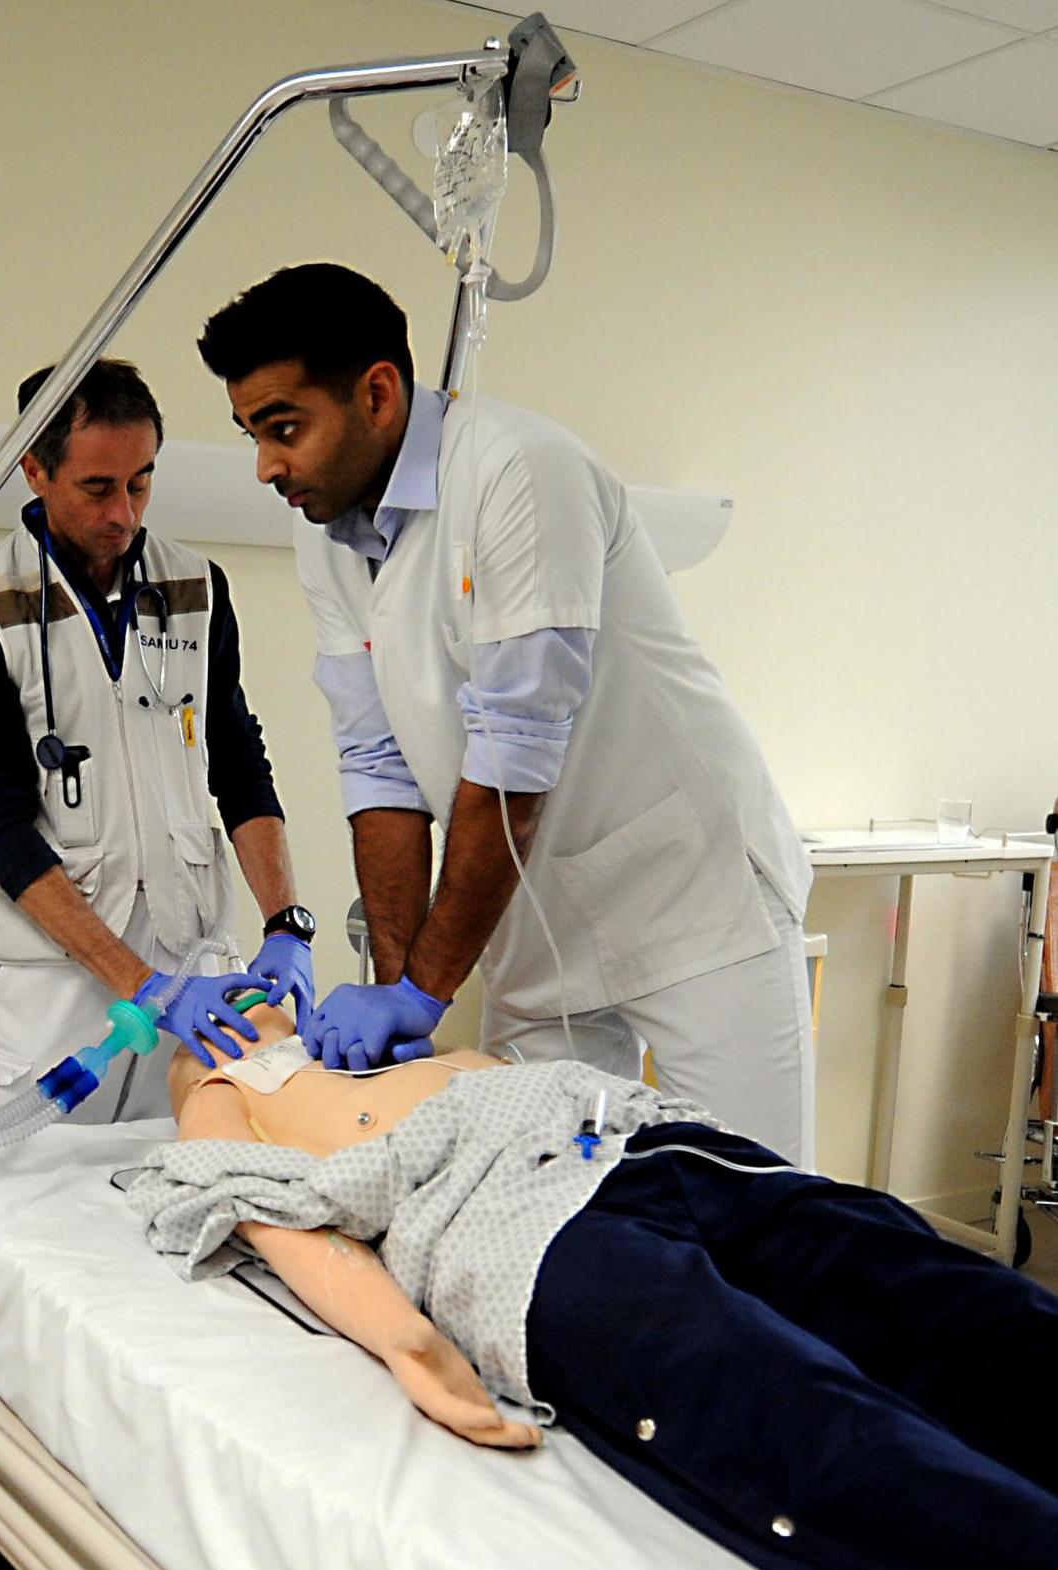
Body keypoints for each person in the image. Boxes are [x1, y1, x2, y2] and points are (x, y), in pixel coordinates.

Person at [132, 1013, 1058, 1570]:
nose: (250, 985)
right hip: (509, 1229)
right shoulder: (215, 1087)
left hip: (646, 1142)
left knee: (940, 1293)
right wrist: (407, 1345)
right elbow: (272, 1215)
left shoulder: (385, 1040)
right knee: (780, 1397)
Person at [197, 264, 817, 1164]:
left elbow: (512, 762)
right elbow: (379, 767)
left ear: (375, 392)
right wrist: (391, 993)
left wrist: (422, 990)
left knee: (757, 1200)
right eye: (251, 434)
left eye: (283, 428)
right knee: (546, 1196)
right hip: (532, 917)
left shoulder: (519, 471)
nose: (266, 466)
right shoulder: (321, 531)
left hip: (687, 898)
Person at [0, 358, 312, 1123]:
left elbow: (237, 761)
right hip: (55, 983)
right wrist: (138, 984)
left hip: (193, 953)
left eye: (141, 481)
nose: (124, 512)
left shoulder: (194, 585)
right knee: (34, 1202)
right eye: (97, 487)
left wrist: (284, 923)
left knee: (194, 1169)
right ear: (34, 469)